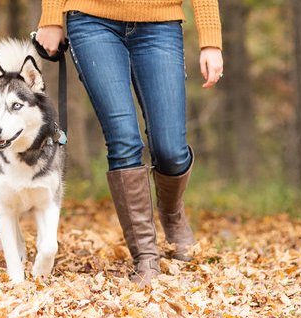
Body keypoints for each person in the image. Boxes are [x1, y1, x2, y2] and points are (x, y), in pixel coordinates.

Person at [35, 0, 224, 285]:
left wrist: (210, 41)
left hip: (160, 23)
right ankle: (146, 256)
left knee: (170, 150)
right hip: (91, 20)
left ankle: (171, 214)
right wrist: (51, 17)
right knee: (123, 141)